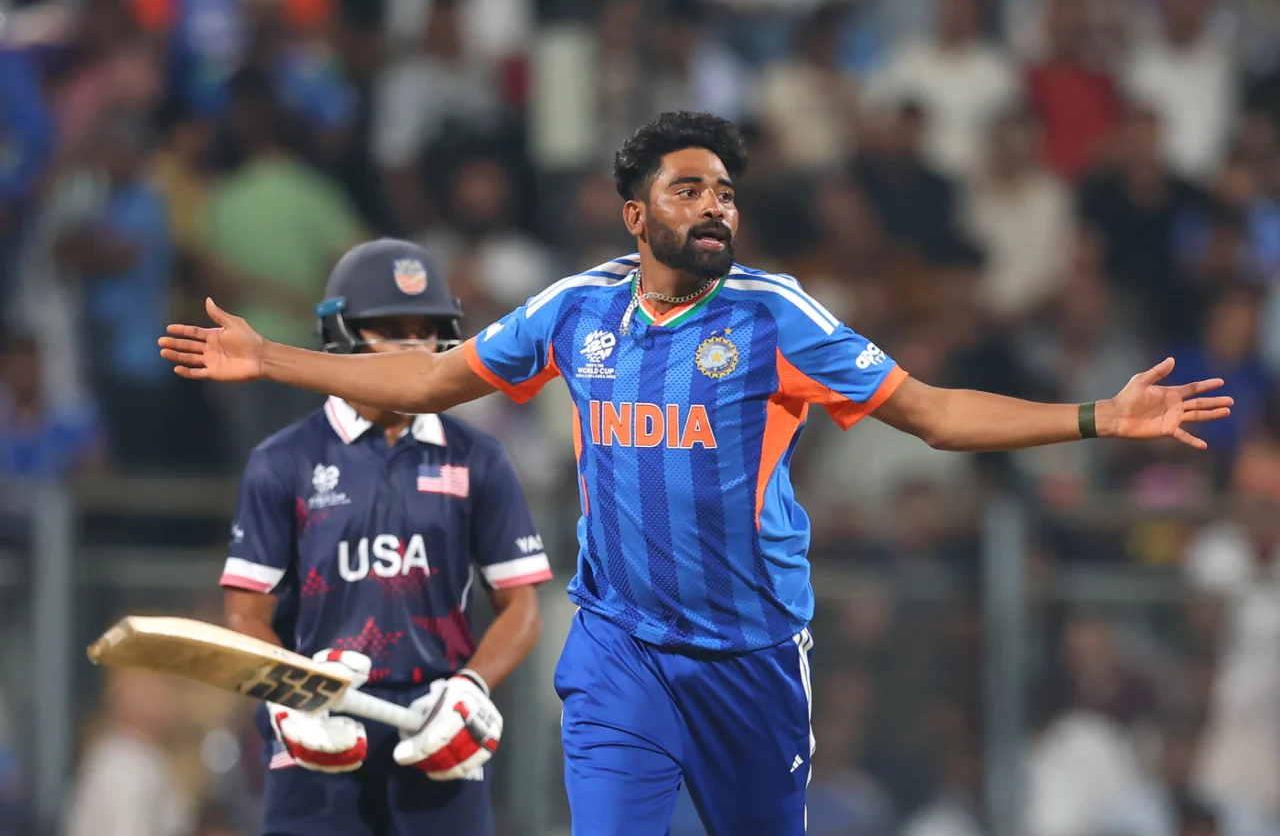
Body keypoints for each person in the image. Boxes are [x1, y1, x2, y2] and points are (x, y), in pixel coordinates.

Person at [161, 112, 1234, 835]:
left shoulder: (777, 316)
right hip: (620, 647)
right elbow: (432, 376)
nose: (716, 205)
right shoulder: (574, 309)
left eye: (725, 191)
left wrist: (1098, 416)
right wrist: (272, 358)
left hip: (751, 654)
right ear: (637, 216)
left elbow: (934, 414)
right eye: (689, 189)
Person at [216, 239, 550, 836]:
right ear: (340, 335)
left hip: (436, 724)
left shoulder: (478, 457)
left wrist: (472, 688)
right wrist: (291, 694)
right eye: (391, 331)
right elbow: (245, 612)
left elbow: (522, 607)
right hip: (318, 727)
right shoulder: (283, 461)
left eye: (426, 331)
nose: (412, 350)